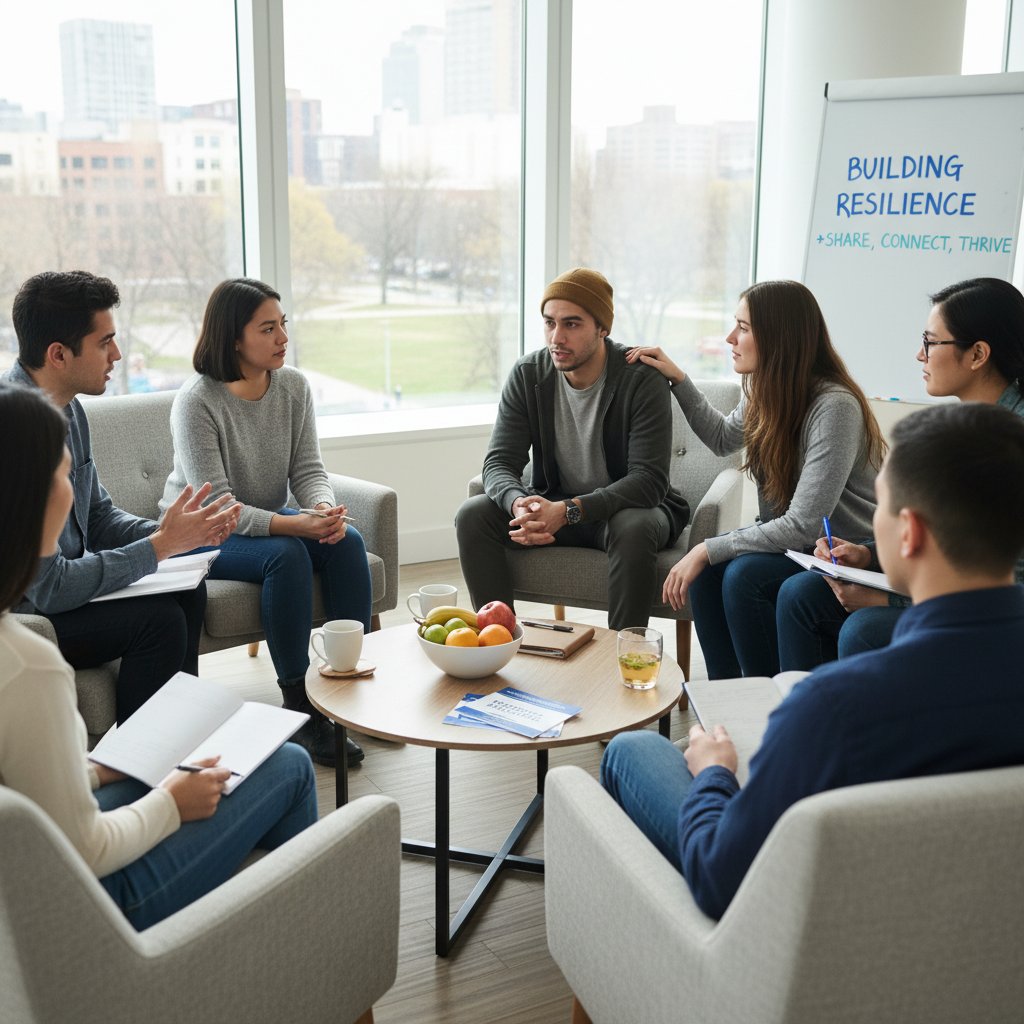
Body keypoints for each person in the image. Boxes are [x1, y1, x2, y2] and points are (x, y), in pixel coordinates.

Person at [602, 400, 1024, 919]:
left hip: (824, 943)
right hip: (981, 947)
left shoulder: (838, 707)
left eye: (882, 508)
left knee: (631, 750)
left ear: (909, 533)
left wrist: (714, 775)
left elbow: (722, 878)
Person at [0, 382, 317, 930]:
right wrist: (173, 801)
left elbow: (25, 793)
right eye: (60, 474)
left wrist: (92, 770)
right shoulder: (27, 665)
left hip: (26, 869)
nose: (71, 491)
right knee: (289, 766)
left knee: (169, 765)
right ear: (27, 498)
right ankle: (300, 965)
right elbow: (90, 851)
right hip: (83, 911)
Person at [4, 271, 239, 723]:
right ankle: (140, 767)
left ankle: (176, 737)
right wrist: (158, 548)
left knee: (188, 589)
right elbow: (48, 590)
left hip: (59, 592)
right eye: (104, 342)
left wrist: (174, 534)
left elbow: (97, 516)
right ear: (58, 354)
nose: (117, 354)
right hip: (26, 614)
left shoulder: (68, 407)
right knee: (159, 621)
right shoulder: (16, 431)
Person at [161, 278, 372, 768]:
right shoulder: (197, 402)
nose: (283, 338)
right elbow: (217, 506)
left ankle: (349, 688)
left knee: (348, 541)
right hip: (201, 532)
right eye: (268, 328)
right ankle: (298, 706)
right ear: (235, 338)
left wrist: (322, 508)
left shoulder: (293, 386)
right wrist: (293, 527)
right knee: (286, 553)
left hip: (263, 518)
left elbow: (308, 470)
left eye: (283, 326)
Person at [628, 280, 884, 678]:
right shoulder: (765, 390)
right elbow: (720, 438)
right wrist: (679, 380)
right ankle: (726, 707)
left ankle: (762, 706)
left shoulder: (834, 406)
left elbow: (804, 524)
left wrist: (706, 548)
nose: (731, 338)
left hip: (841, 555)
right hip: (798, 548)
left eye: (743, 328)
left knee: (742, 576)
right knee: (709, 578)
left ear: (779, 337)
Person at [777, 277, 1024, 670]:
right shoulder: (970, 423)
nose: (919, 356)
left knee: (864, 628)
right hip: (954, 591)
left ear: (977, 354)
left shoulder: (1009, 442)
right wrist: (866, 555)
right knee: (800, 594)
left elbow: (1006, 584)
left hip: (1000, 616)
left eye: (930, 342)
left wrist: (889, 600)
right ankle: (790, 717)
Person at [455, 267, 689, 630]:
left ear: (602, 328)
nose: (557, 337)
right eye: (550, 323)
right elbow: (499, 462)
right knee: (474, 514)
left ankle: (623, 655)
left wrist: (568, 511)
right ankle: (497, 640)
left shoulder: (641, 378)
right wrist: (519, 502)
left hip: (622, 512)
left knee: (634, 526)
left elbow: (649, 481)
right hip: (553, 503)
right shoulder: (528, 373)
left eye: (572, 324)